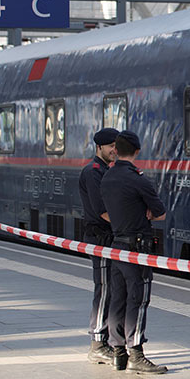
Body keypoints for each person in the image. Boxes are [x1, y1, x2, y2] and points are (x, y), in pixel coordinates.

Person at [100, 130, 168, 374]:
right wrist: (144, 212)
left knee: (117, 300)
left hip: (116, 245)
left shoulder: (106, 178)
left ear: (116, 150)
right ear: (137, 151)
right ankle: (136, 353)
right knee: (138, 300)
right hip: (137, 248)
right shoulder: (138, 179)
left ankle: (118, 352)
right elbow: (160, 212)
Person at [78, 127, 119, 365]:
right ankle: (97, 343)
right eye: (111, 146)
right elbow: (101, 211)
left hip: (109, 238)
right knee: (103, 290)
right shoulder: (93, 172)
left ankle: (107, 341)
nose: (115, 150)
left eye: (117, 146)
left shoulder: (105, 171)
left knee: (111, 290)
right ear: (99, 147)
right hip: (100, 238)